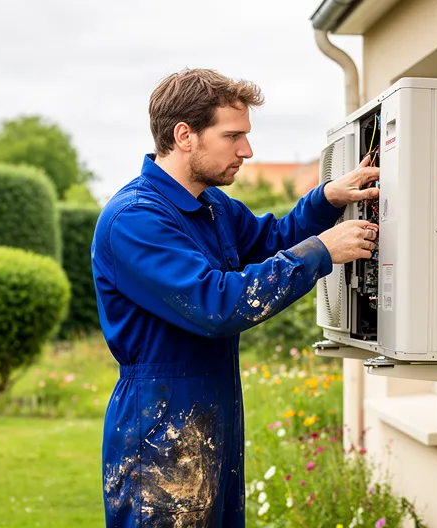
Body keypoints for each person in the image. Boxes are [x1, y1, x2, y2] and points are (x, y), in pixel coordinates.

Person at [91, 68, 379, 527]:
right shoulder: (136, 219)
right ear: (185, 135)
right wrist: (322, 251)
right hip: (160, 427)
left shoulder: (212, 205)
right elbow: (216, 305)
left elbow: (274, 239)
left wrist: (326, 198)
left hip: (209, 418)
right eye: (233, 136)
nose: (247, 150)